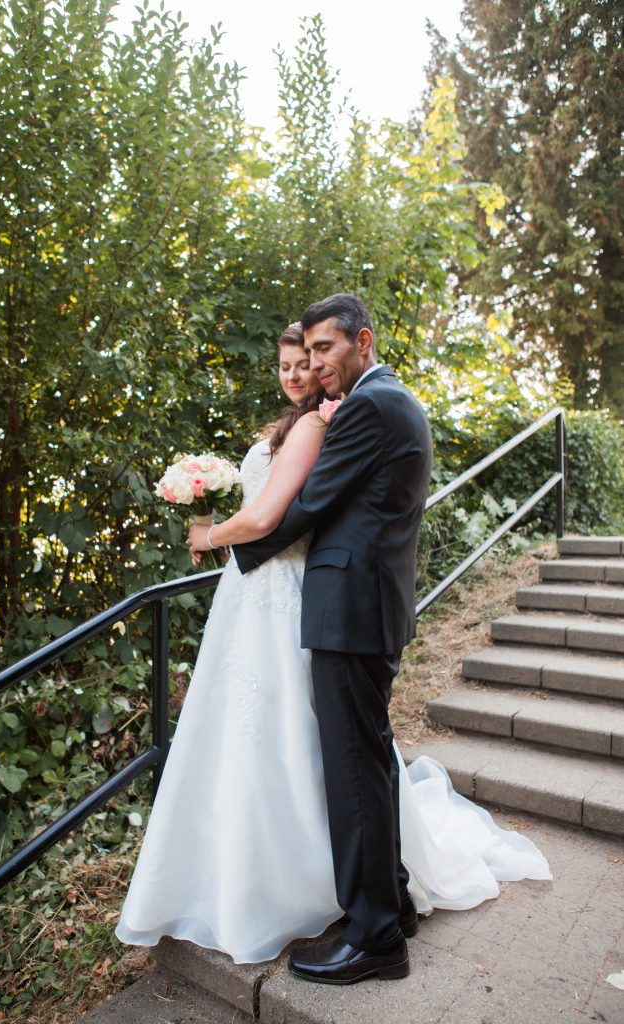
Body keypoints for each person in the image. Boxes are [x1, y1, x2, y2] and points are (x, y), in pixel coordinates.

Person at [115, 308, 550, 975]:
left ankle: (375, 939)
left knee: (351, 770)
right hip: (359, 606)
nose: (314, 364)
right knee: (366, 764)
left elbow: (303, 507)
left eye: (325, 349)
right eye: (305, 352)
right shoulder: (380, 399)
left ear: (361, 342)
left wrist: (218, 539)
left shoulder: (368, 407)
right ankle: (391, 902)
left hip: (349, 610)